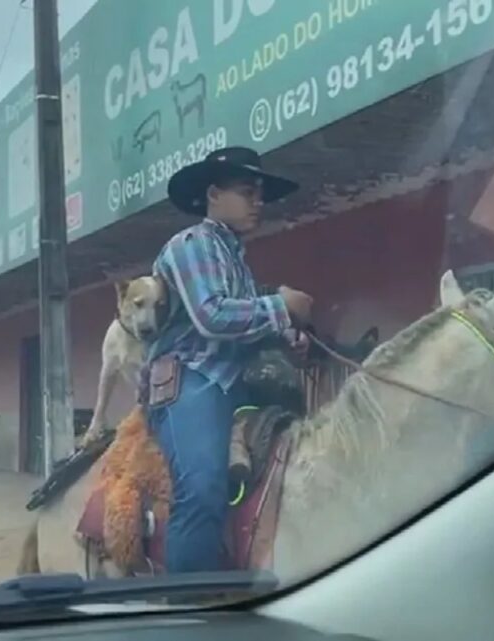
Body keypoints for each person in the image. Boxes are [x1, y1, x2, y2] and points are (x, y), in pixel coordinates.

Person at [144, 146, 314, 573]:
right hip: (191, 381)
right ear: (214, 194)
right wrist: (282, 305)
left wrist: (288, 339)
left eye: (260, 192)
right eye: (247, 191)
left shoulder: (235, 260)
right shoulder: (193, 243)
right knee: (201, 489)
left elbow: (242, 328)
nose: (258, 201)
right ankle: (189, 610)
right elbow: (211, 315)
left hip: (236, 386)